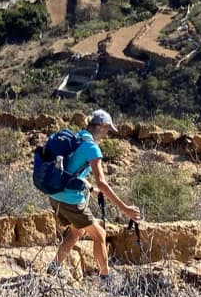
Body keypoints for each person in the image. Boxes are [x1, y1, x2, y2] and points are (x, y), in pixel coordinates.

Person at [44, 109, 141, 284]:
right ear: (102, 126)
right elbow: (103, 183)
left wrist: (89, 187)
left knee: (76, 232)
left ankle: (54, 268)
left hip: (55, 194)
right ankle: (106, 277)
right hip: (70, 200)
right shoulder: (92, 148)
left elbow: (71, 170)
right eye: (107, 130)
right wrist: (125, 208)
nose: (107, 134)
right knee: (100, 234)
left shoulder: (78, 137)